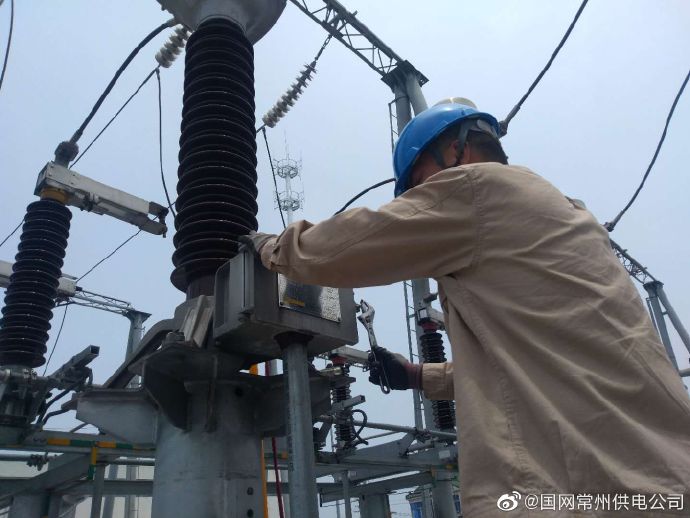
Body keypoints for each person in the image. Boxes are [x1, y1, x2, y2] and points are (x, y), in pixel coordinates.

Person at [242, 101, 690, 517]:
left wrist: (271, 247)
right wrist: (417, 376)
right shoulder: (566, 216)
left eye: (420, 183)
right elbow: (541, 364)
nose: (422, 197)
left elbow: (340, 249)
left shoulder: (475, 189)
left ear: (456, 150)